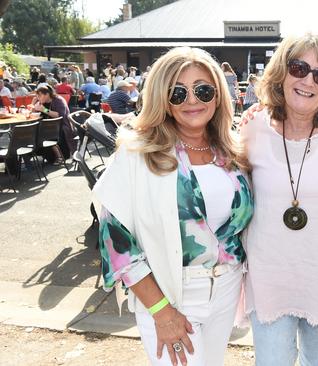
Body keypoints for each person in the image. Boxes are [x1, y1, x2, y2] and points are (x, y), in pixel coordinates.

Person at [92, 46, 254, 366]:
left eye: (203, 90)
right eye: (178, 92)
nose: (192, 100)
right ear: (163, 100)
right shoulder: (140, 153)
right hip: (172, 296)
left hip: (227, 287)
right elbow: (116, 242)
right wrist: (161, 311)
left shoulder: (232, 151)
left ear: (218, 95)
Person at [239, 33, 318, 366]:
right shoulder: (252, 129)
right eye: (299, 67)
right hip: (269, 278)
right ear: (281, 71)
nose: (308, 80)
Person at [32, 85, 77, 160]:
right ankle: (39, 154)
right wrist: (33, 105)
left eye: (39, 95)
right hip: (47, 126)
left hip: (62, 126)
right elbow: (33, 114)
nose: (38, 97)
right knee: (33, 132)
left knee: (41, 133)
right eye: (37, 95)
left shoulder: (58, 100)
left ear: (47, 94)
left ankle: (58, 155)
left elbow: (60, 115)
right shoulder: (42, 102)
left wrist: (44, 110)